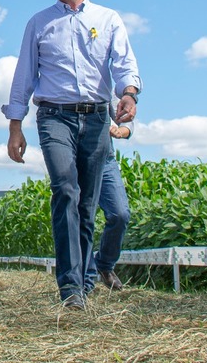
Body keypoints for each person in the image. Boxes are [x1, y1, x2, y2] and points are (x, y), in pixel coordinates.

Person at [4, 0, 141, 310]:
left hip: (96, 117)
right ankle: (69, 287)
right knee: (66, 188)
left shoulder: (108, 19)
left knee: (88, 203)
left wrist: (128, 94)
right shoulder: (38, 23)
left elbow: (124, 64)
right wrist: (15, 126)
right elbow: (23, 76)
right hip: (54, 117)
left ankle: (83, 281)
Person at [84, 121, 132, 294]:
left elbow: (126, 121)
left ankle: (104, 264)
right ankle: (86, 277)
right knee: (83, 216)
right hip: (77, 154)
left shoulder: (112, 93)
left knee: (120, 214)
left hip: (105, 158)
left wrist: (121, 130)